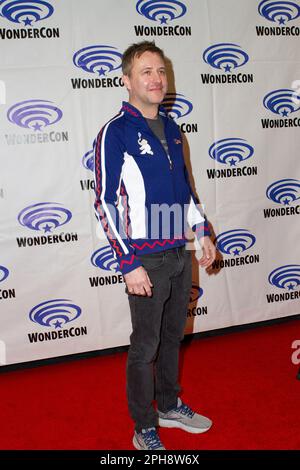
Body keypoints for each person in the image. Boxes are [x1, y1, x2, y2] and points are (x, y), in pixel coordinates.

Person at [94, 41, 216, 450]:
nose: (157, 79)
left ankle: (168, 404)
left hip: (180, 251)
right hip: (144, 256)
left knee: (171, 338)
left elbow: (185, 190)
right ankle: (143, 424)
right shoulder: (117, 131)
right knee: (144, 346)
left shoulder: (174, 127)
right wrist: (127, 262)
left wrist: (201, 232)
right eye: (146, 71)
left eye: (161, 70)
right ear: (126, 79)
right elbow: (104, 201)